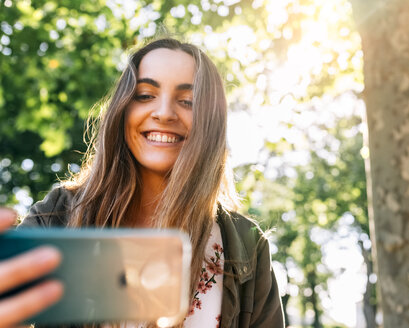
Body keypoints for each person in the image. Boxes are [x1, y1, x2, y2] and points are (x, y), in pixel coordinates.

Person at [0, 38, 284, 328]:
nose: (163, 113)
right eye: (146, 95)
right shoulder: (59, 213)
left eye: (187, 101)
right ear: (123, 109)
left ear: (210, 122)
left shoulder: (246, 245)